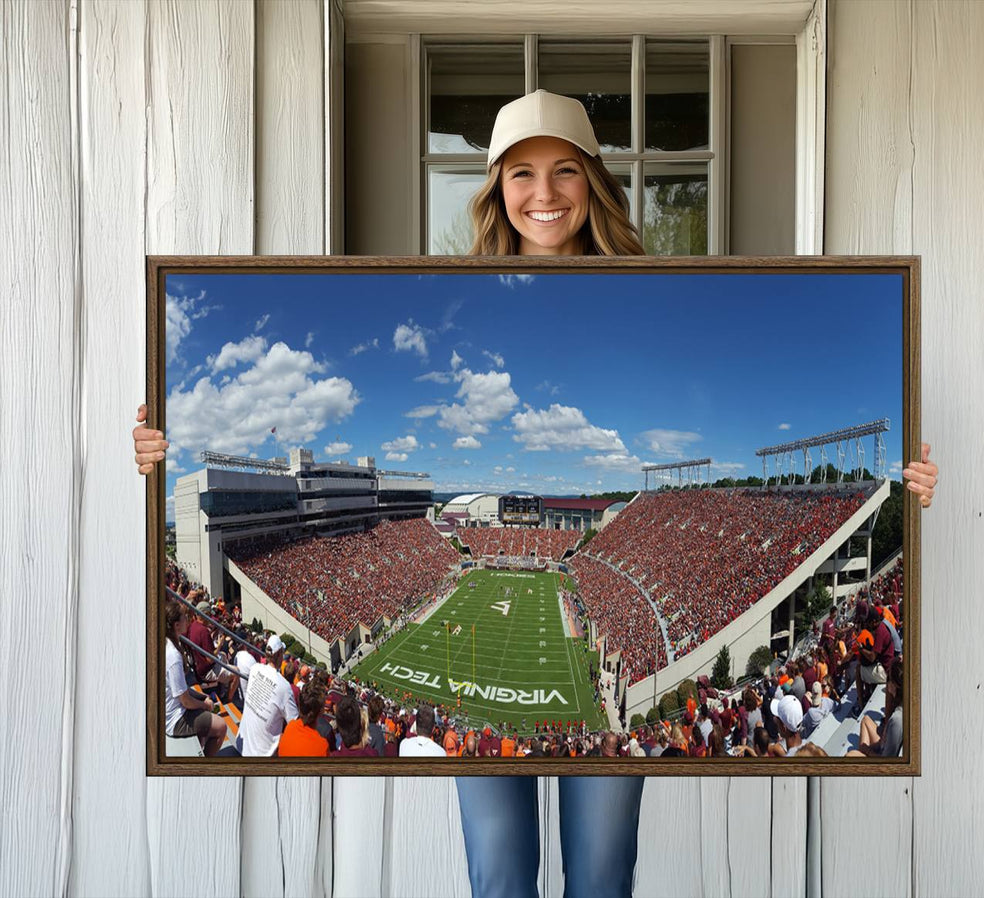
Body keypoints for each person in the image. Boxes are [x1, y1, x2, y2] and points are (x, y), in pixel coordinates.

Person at [133, 88, 939, 898]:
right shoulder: (460, 290)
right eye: (521, 173)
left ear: (592, 181)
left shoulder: (648, 288)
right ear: (495, 188)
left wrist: (909, 483)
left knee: (598, 877)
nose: (544, 193)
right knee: (500, 877)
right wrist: (159, 448)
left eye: (563, 171)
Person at [164, 601, 227, 756]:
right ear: (176, 625)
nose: (188, 619)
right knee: (221, 727)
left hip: (172, 710)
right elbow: (184, 700)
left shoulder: (169, 643)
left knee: (205, 700)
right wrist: (204, 705)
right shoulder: (173, 656)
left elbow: (181, 689)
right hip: (175, 719)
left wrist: (202, 698)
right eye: (185, 617)